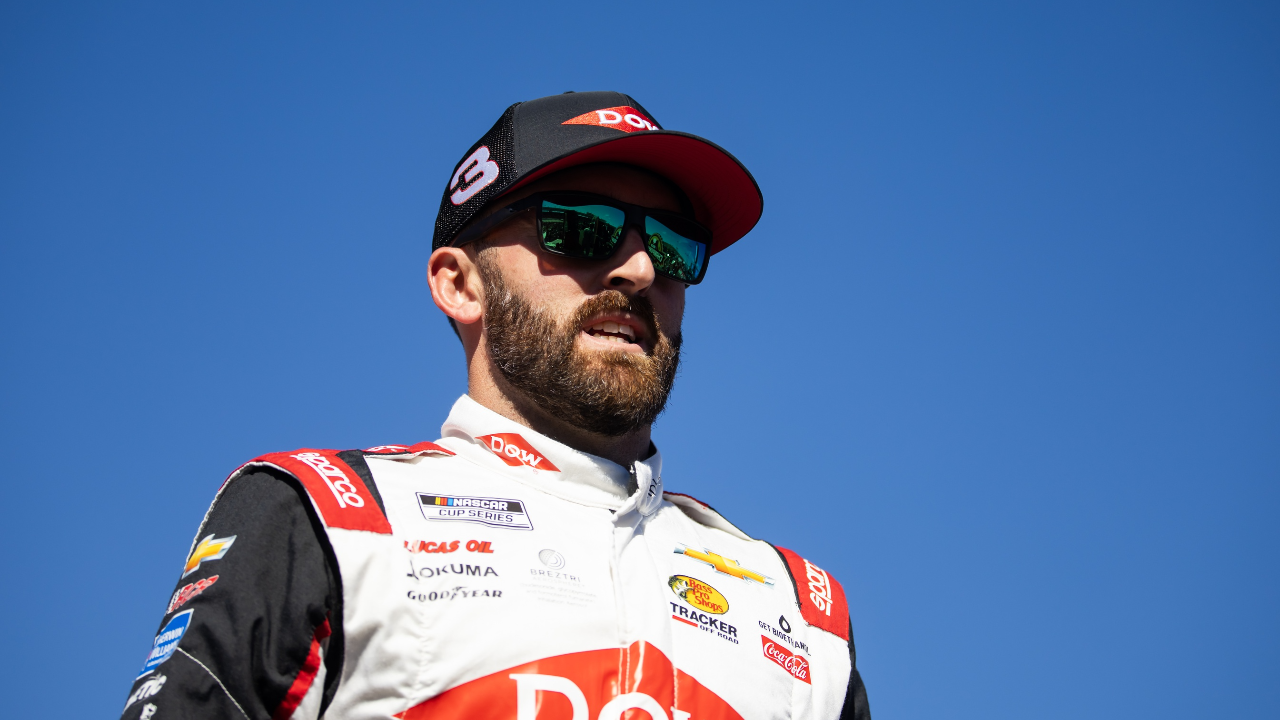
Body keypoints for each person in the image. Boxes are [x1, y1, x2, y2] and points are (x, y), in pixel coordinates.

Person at [118, 91, 871, 720]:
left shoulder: (800, 611)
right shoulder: (328, 514)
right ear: (459, 283)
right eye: (583, 228)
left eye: (675, 246)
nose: (640, 268)